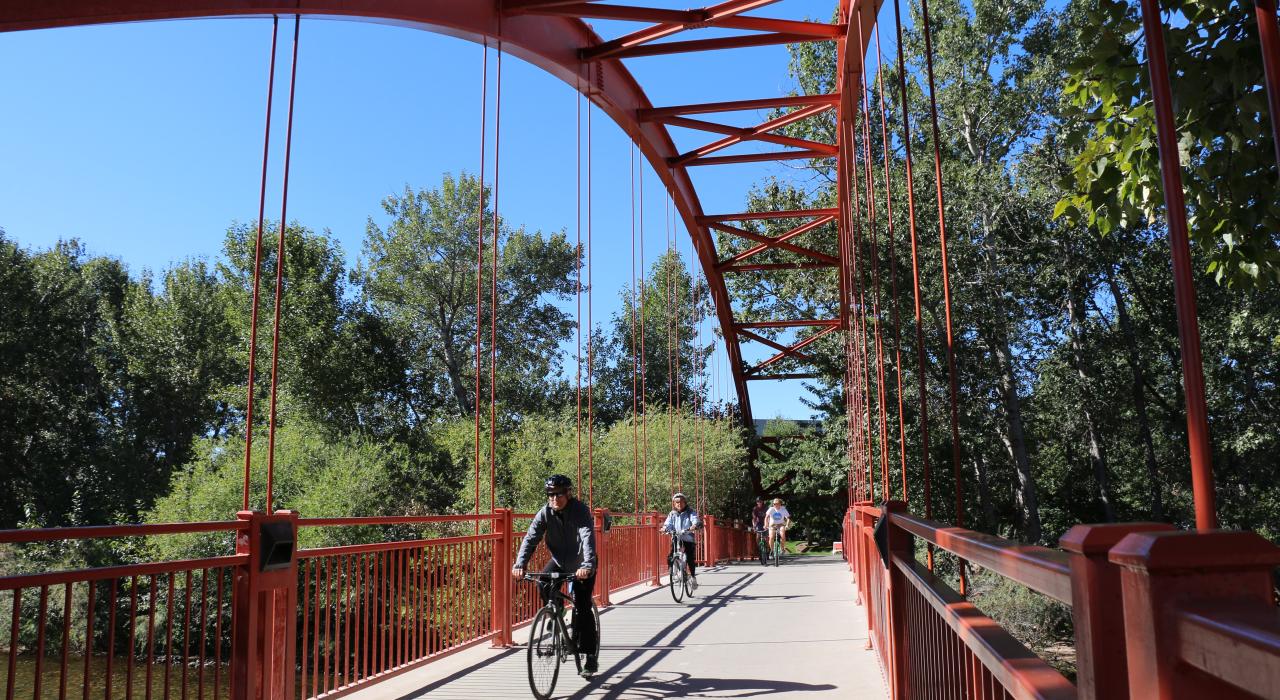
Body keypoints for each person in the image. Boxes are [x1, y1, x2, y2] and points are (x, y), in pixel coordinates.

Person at [511, 474, 599, 677]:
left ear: (568, 493)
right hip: (560, 561)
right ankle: (556, 609)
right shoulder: (545, 513)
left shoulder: (580, 511)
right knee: (542, 581)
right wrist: (520, 564)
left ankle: (590, 655)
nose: (554, 499)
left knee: (583, 606)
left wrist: (587, 565)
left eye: (559, 494)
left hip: (582, 564)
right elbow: (530, 538)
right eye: (550, 494)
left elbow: (587, 537)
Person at [659, 492, 701, 587]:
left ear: (685, 502)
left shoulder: (690, 512)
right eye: (676, 502)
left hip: (687, 538)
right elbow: (668, 523)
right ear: (674, 504)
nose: (679, 504)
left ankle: (693, 577)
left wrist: (694, 525)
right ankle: (673, 571)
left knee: (690, 558)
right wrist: (664, 528)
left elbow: (695, 519)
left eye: (681, 502)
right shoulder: (672, 514)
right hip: (676, 538)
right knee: (670, 556)